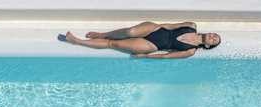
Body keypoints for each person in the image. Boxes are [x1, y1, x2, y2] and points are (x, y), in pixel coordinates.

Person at [61, 21, 221, 59]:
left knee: (114, 44)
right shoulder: (192, 25)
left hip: (153, 44)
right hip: (157, 29)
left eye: (214, 40)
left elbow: (166, 56)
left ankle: (77, 41)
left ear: (208, 45)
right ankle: (101, 34)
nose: (213, 37)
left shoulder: (190, 51)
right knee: (129, 31)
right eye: (215, 35)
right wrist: (157, 26)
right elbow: (171, 26)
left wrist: (145, 56)